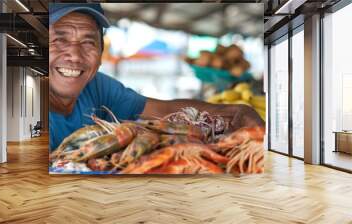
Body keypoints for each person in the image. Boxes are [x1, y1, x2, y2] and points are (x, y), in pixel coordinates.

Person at [49, 3, 264, 151]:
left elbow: (165, 110)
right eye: (59, 40)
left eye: (88, 42)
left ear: (101, 52)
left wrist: (237, 110)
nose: (75, 56)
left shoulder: (98, 87)